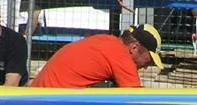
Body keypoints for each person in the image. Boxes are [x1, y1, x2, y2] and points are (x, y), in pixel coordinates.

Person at [29, 24, 163, 88]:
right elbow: (135, 100)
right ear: (134, 48)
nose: (145, 67)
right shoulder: (120, 54)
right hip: (52, 104)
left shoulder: (106, 41)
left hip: (39, 97)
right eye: (148, 61)